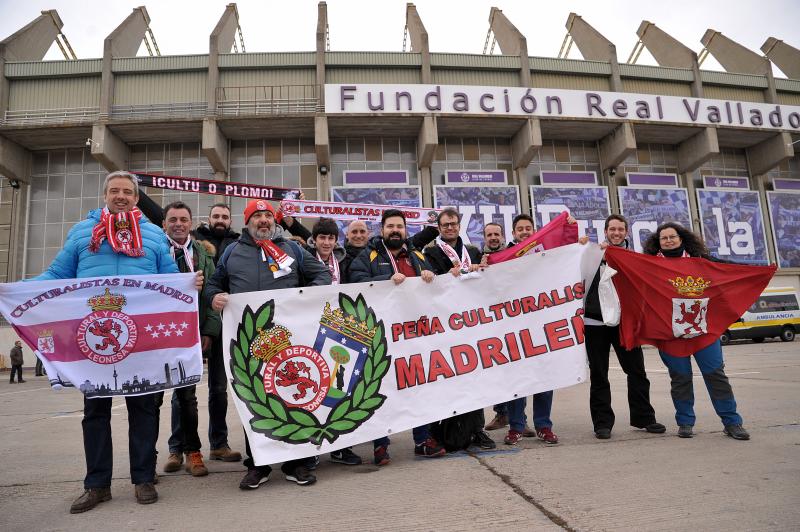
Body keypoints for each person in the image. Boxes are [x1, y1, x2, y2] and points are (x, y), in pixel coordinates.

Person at [32, 170, 202, 513]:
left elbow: (170, 280)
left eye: (127, 191)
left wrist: (188, 285)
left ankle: (142, 478)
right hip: (94, 342)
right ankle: (97, 485)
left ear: (137, 199)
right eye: (115, 191)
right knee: (95, 413)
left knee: (143, 410)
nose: (121, 196)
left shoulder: (153, 235)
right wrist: (16, 290)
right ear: (105, 196)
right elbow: (56, 275)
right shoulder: (82, 233)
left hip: (142, 342)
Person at [206, 199, 332, 489]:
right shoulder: (231, 252)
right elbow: (214, 285)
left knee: (293, 396)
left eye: (267, 216)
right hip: (248, 341)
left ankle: (296, 463)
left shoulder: (293, 249)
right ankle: (258, 465)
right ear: (248, 221)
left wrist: (303, 297)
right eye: (257, 216)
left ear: (274, 221)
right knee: (254, 400)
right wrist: (214, 297)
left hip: (288, 339)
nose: (263, 221)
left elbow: (322, 275)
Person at [349, 209, 445, 461]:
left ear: (405, 230)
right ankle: (380, 444)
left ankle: (423, 440)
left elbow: (435, 290)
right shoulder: (367, 256)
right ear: (382, 230)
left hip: (414, 335)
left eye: (399, 227)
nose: (395, 230)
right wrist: (386, 279)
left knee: (419, 386)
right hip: (380, 336)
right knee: (381, 387)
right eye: (390, 226)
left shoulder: (416, 254)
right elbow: (355, 282)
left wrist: (429, 276)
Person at [643, 222, 750, 441]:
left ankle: (732, 422)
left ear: (682, 239)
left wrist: (757, 272)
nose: (669, 240)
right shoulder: (650, 266)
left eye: (672, 236)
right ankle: (685, 422)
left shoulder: (702, 262)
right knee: (680, 379)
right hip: (671, 335)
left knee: (716, 375)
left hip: (704, 332)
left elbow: (729, 273)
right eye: (664, 238)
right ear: (658, 243)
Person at [583, 214, 666, 439]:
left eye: (620, 229)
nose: (616, 233)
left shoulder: (635, 258)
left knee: (636, 371)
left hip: (625, 323)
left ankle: (644, 418)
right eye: (612, 229)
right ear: (606, 231)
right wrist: (586, 250)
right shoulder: (593, 255)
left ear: (626, 232)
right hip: (595, 322)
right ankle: (602, 423)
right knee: (599, 374)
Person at [155, 201, 221, 477]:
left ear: (191, 223)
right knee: (152, 397)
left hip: (191, 333)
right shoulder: (154, 252)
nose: (178, 224)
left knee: (187, 396)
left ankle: (192, 451)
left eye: (183, 219)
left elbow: (212, 293)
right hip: (157, 334)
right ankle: (168, 451)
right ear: (164, 224)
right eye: (173, 219)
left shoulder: (203, 255)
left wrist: (208, 330)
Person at [423, 208, 496, 451]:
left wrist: (481, 270)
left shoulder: (473, 251)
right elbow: (430, 283)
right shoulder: (430, 252)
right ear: (439, 227)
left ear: (459, 225)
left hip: (471, 324)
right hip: (444, 325)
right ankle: (439, 430)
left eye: (453, 224)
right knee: (444, 379)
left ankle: (477, 429)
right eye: (445, 225)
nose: (450, 228)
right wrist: (446, 275)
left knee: (475, 378)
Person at [496, 214, 558, 446]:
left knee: (544, 377)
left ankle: (544, 425)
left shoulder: (546, 253)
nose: (524, 232)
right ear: (513, 234)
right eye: (520, 229)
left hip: (543, 324)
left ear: (534, 231)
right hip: (513, 327)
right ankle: (516, 427)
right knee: (517, 379)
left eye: (528, 228)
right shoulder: (502, 257)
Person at [305, 218, 363, 465]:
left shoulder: (346, 260)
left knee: (341, 389)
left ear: (336, 240)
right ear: (314, 240)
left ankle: (342, 446)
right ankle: (312, 449)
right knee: (314, 389)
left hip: (342, 330)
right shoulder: (305, 259)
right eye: (322, 238)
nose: (326, 243)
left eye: (330, 238)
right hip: (312, 329)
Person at [191, 203, 243, 463]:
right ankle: (181, 448)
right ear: (208, 219)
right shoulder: (195, 241)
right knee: (184, 392)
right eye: (216, 216)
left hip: (229, 326)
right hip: (197, 325)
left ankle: (218, 444)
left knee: (219, 389)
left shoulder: (238, 244)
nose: (220, 220)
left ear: (230, 220)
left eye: (224, 216)